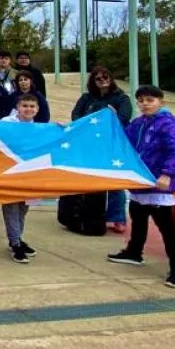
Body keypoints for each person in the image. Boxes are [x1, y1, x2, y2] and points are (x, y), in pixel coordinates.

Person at [108, 86, 175, 288]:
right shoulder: (138, 122)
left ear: (161, 101)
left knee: (167, 228)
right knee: (138, 217)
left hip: (158, 183)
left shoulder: (167, 123)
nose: (145, 104)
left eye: (149, 100)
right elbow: (123, 139)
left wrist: (167, 174)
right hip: (140, 182)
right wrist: (112, 120)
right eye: (141, 100)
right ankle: (135, 252)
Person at [72, 65, 134, 232]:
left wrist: (109, 119)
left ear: (111, 78)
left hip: (111, 143)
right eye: (98, 78)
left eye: (106, 77)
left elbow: (123, 118)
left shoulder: (121, 98)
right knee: (90, 178)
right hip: (89, 143)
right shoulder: (86, 98)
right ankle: (90, 214)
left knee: (114, 180)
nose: (102, 81)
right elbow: (76, 116)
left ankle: (117, 217)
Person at [0, 95, 42, 263]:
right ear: (18, 106)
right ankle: (15, 242)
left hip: (30, 173)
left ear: (37, 109)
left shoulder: (39, 127)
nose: (29, 109)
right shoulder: (6, 122)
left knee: (24, 207)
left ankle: (17, 237)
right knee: (11, 206)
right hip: (10, 171)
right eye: (25, 105)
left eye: (32, 106)